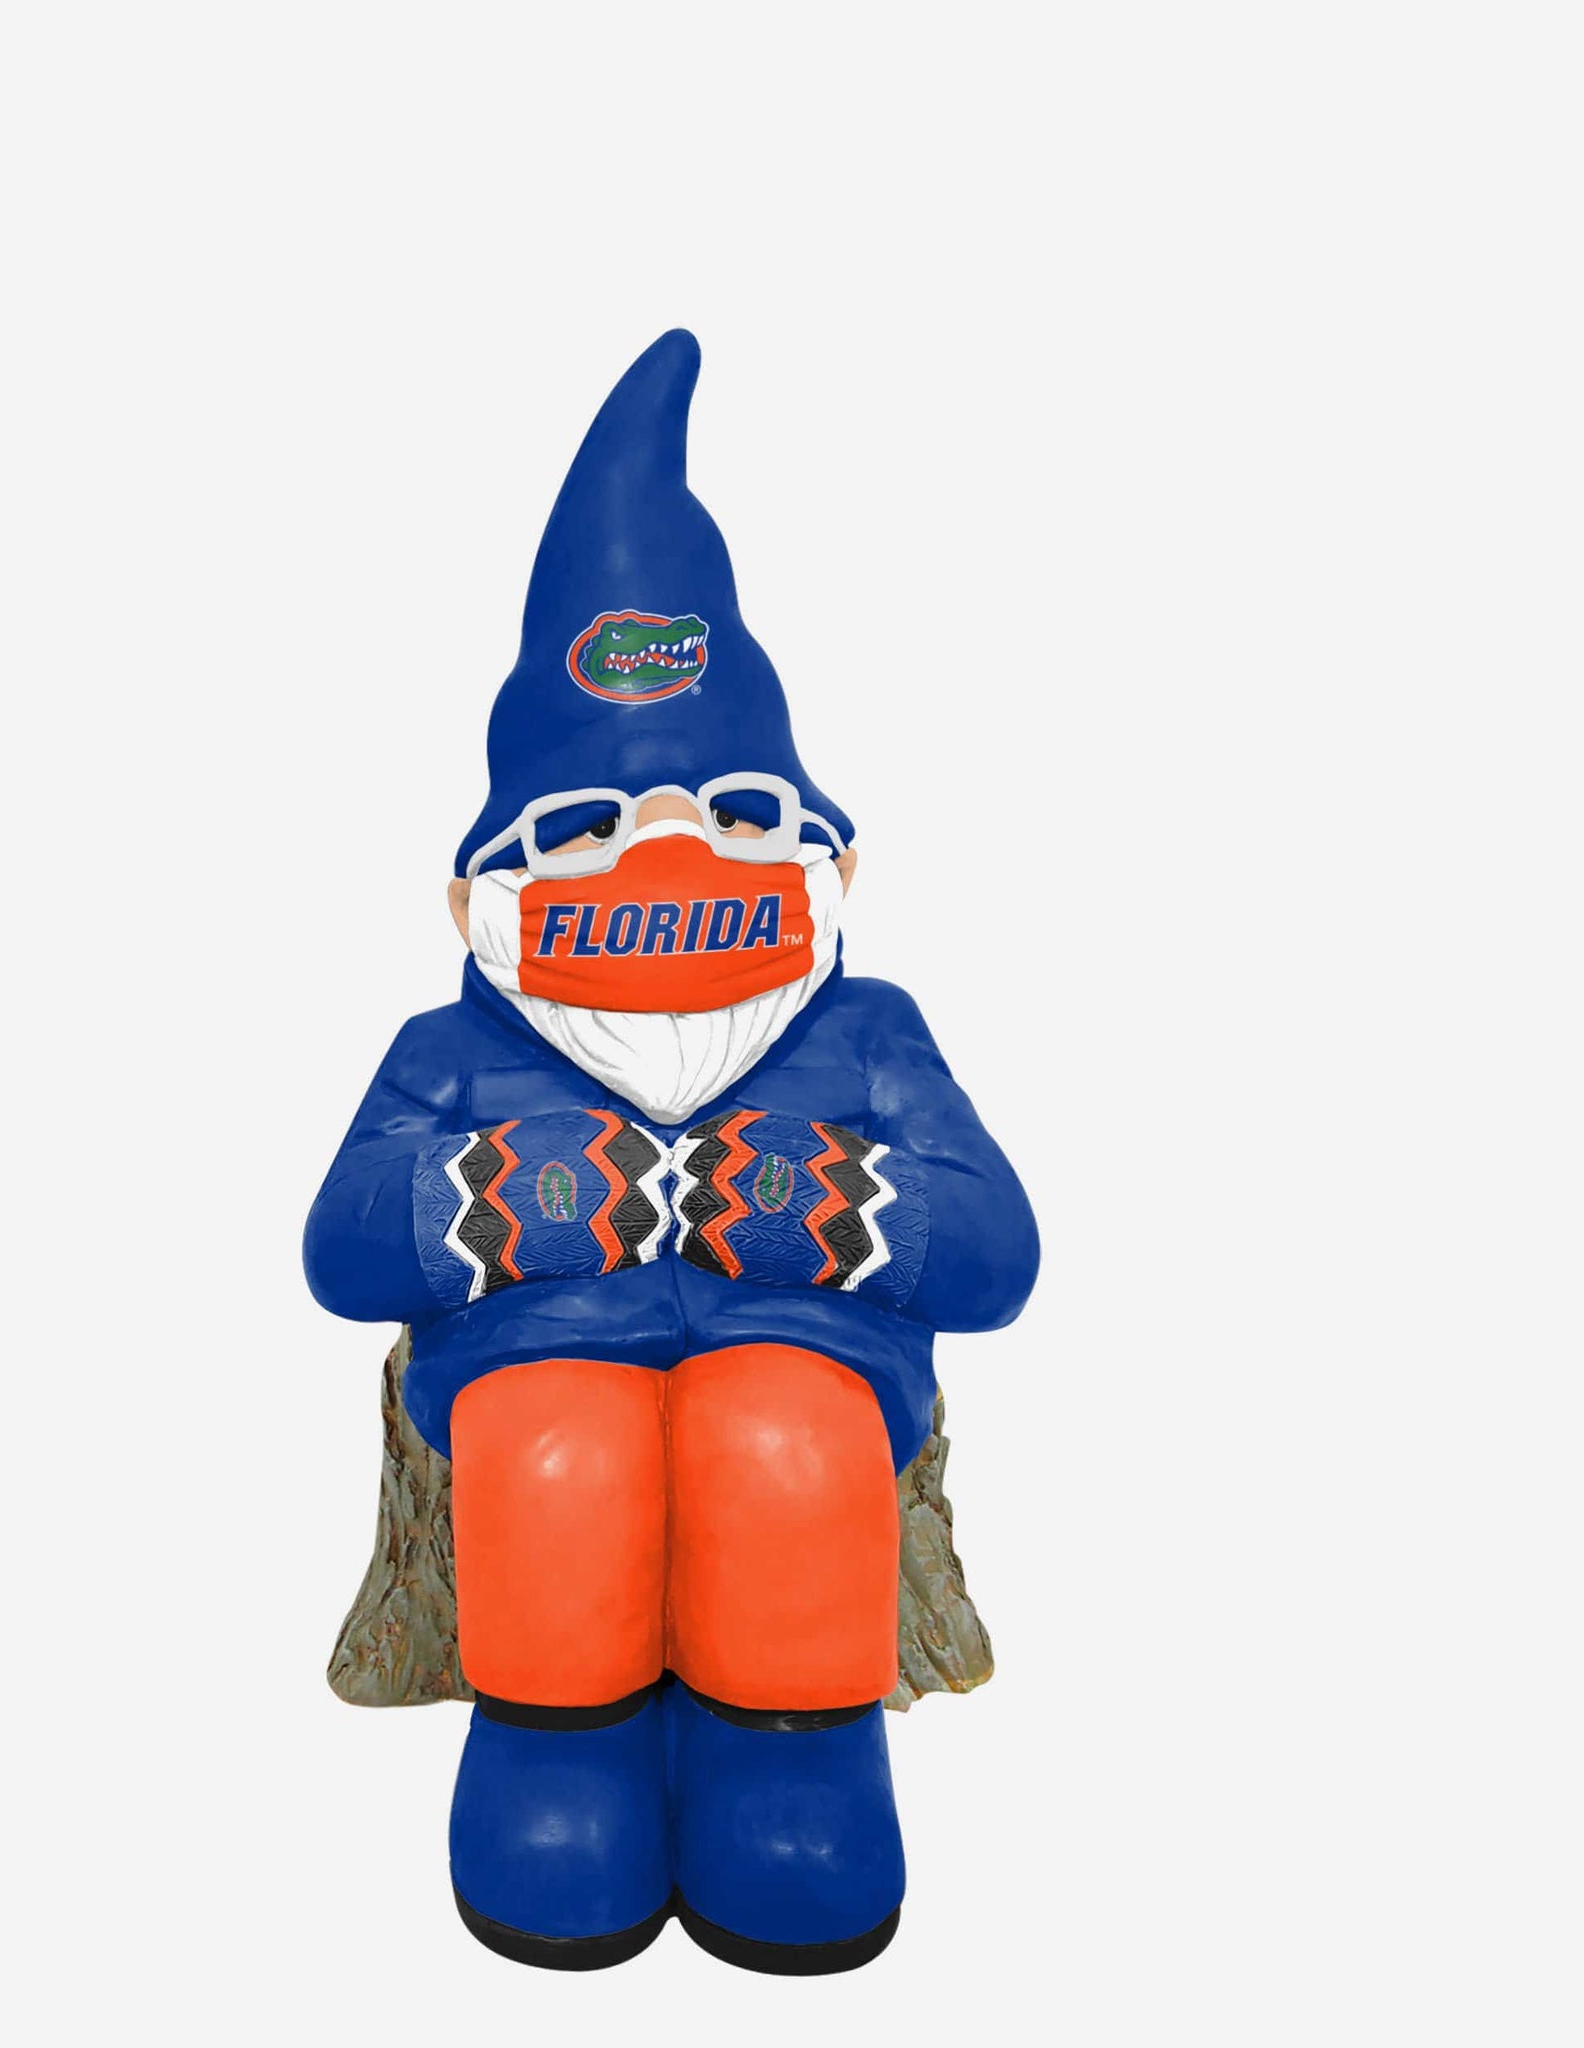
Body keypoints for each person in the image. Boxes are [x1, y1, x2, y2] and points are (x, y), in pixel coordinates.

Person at [305, 331, 1039, 1974]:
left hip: (816, 1378)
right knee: (559, 1448)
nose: (666, 859)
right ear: (477, 894)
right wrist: (501, 1204)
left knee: (779, 1438)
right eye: (587, 827)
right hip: (525, 1388)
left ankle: (793, 1767)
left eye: (732, 810)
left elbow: (997, 1250)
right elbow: (341, 1244)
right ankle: (557, 1759)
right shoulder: (450, 1051)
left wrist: (828, 1212)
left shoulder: (870, 1032)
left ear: (828, 855)